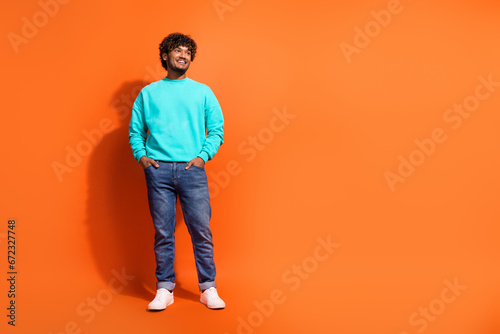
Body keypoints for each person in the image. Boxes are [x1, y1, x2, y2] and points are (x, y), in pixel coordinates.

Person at [128, 32, 225, 311]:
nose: (183, 55)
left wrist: (202, 157)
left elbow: (216, 130)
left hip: (191, 170)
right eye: (177, 51)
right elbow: (135, 131)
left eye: (187, 52)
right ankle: (164, 289)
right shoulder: (148, 94)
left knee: (201, 231)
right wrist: (142, 157)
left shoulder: (202, 92)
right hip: (157, 171)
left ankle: (208, 288)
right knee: (163, 232)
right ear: (165, 56)